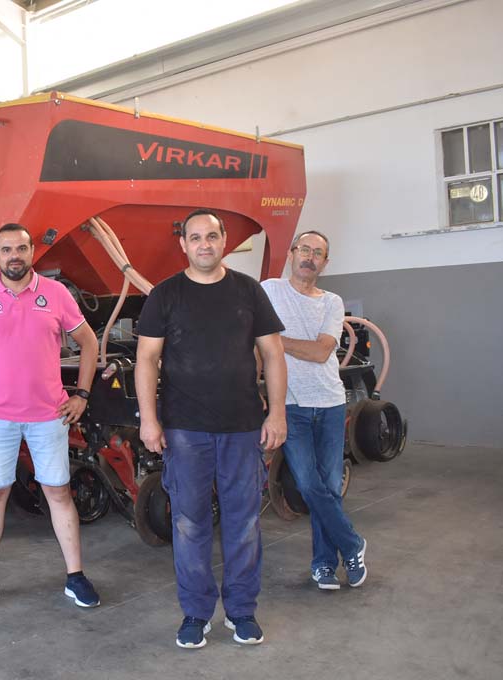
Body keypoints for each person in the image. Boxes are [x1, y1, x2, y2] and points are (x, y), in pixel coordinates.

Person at [135, 209, 287, 649]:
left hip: (242, 427)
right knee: (188, 523)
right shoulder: (165, 295)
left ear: (225, 242)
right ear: (183, 244)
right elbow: (146, 360)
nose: (204, 244)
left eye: (212, 236)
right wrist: (149, 418)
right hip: (184, 429)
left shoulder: (248, 291)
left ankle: (241, 612)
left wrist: (276, 412)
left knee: (243, 524)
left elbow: (274, 355)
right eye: (195, 237)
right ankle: (196, 613)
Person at [0, 223, 101, 611]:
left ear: (31, 253)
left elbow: (89, 341)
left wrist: (82, 394)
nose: (15, 255)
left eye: (22, 248)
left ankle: (75, 577)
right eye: (6, 249)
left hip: (49, 416)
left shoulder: (56, 294)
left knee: (58, 492)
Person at [261, 230, 367, 591]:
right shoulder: (270, 291)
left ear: (325, 262)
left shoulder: (332, 303)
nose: (309, 257)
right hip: (291, 405)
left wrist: (274, 340)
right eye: (304, 249)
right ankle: (352, 544)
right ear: (291, 253)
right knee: (309, 484)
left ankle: (323, 564)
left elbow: (321, 352)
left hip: (331, 403)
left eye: (317, 253)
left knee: (329, 488)